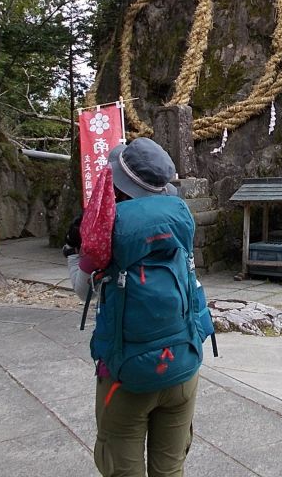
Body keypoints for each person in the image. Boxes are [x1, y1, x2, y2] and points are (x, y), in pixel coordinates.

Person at [65, 137, 207, 477]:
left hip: (127, 376)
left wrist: (73, 252)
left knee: (123, 470)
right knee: (171, 469)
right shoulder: (179, 215)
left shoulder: (109, 225)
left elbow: (83, 290)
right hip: (183, 366)